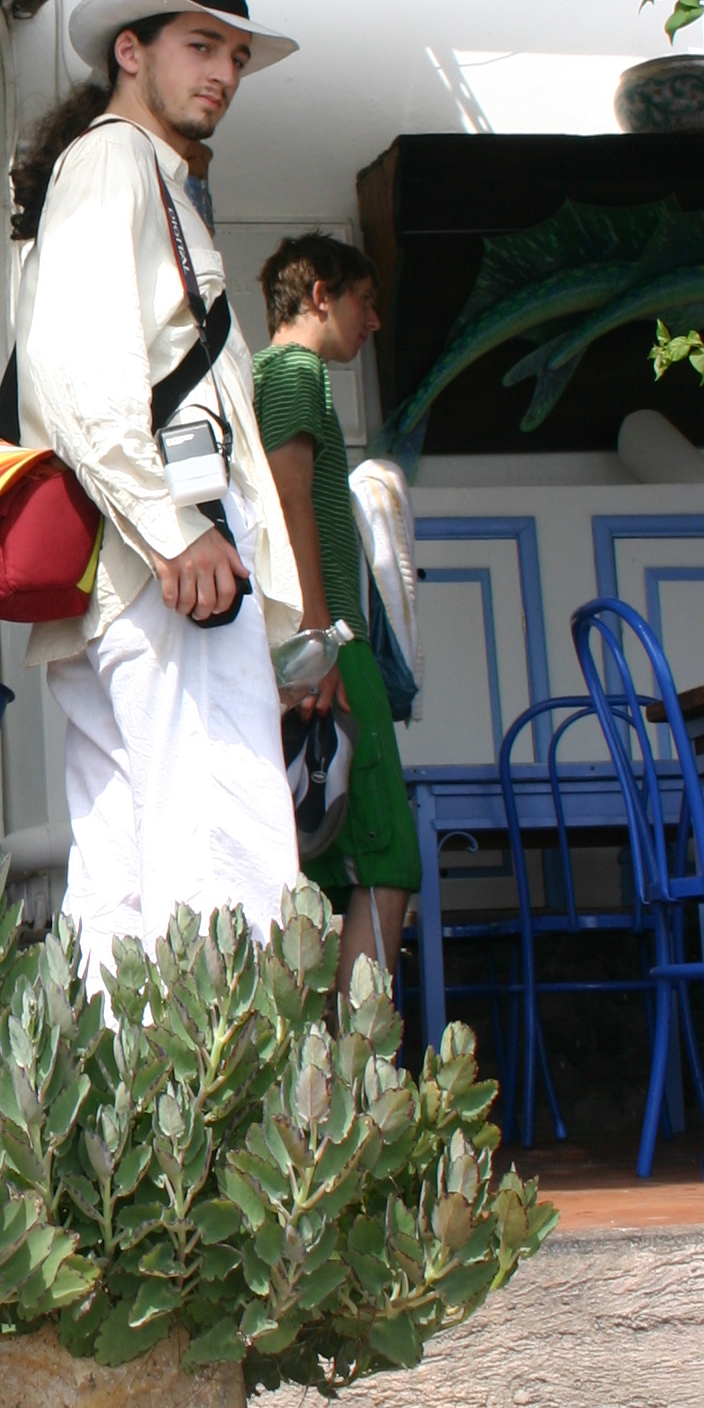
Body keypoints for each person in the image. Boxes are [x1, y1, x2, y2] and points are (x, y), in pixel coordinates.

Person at [12, 0, 304, 972]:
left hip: (135, 563)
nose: (222, 72)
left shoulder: (136, 172)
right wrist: (175, 530)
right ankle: (225, 1068)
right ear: (129, 52)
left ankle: (120, 1069)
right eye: (200, 45)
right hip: (164, 562)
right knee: (219, 839)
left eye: (235, 55)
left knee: (126, 862)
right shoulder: (113, 162)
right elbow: (80, 371)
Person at [253, 234, 423, 995]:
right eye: (364, 300)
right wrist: (319, 640)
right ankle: (367, 1058)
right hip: (326, 643)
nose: (374, 320)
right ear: (320, 295)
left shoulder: (267, 375)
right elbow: (291, 496)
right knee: (388, 858)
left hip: (301, 644)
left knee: (319, 855)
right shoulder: (295, 371)